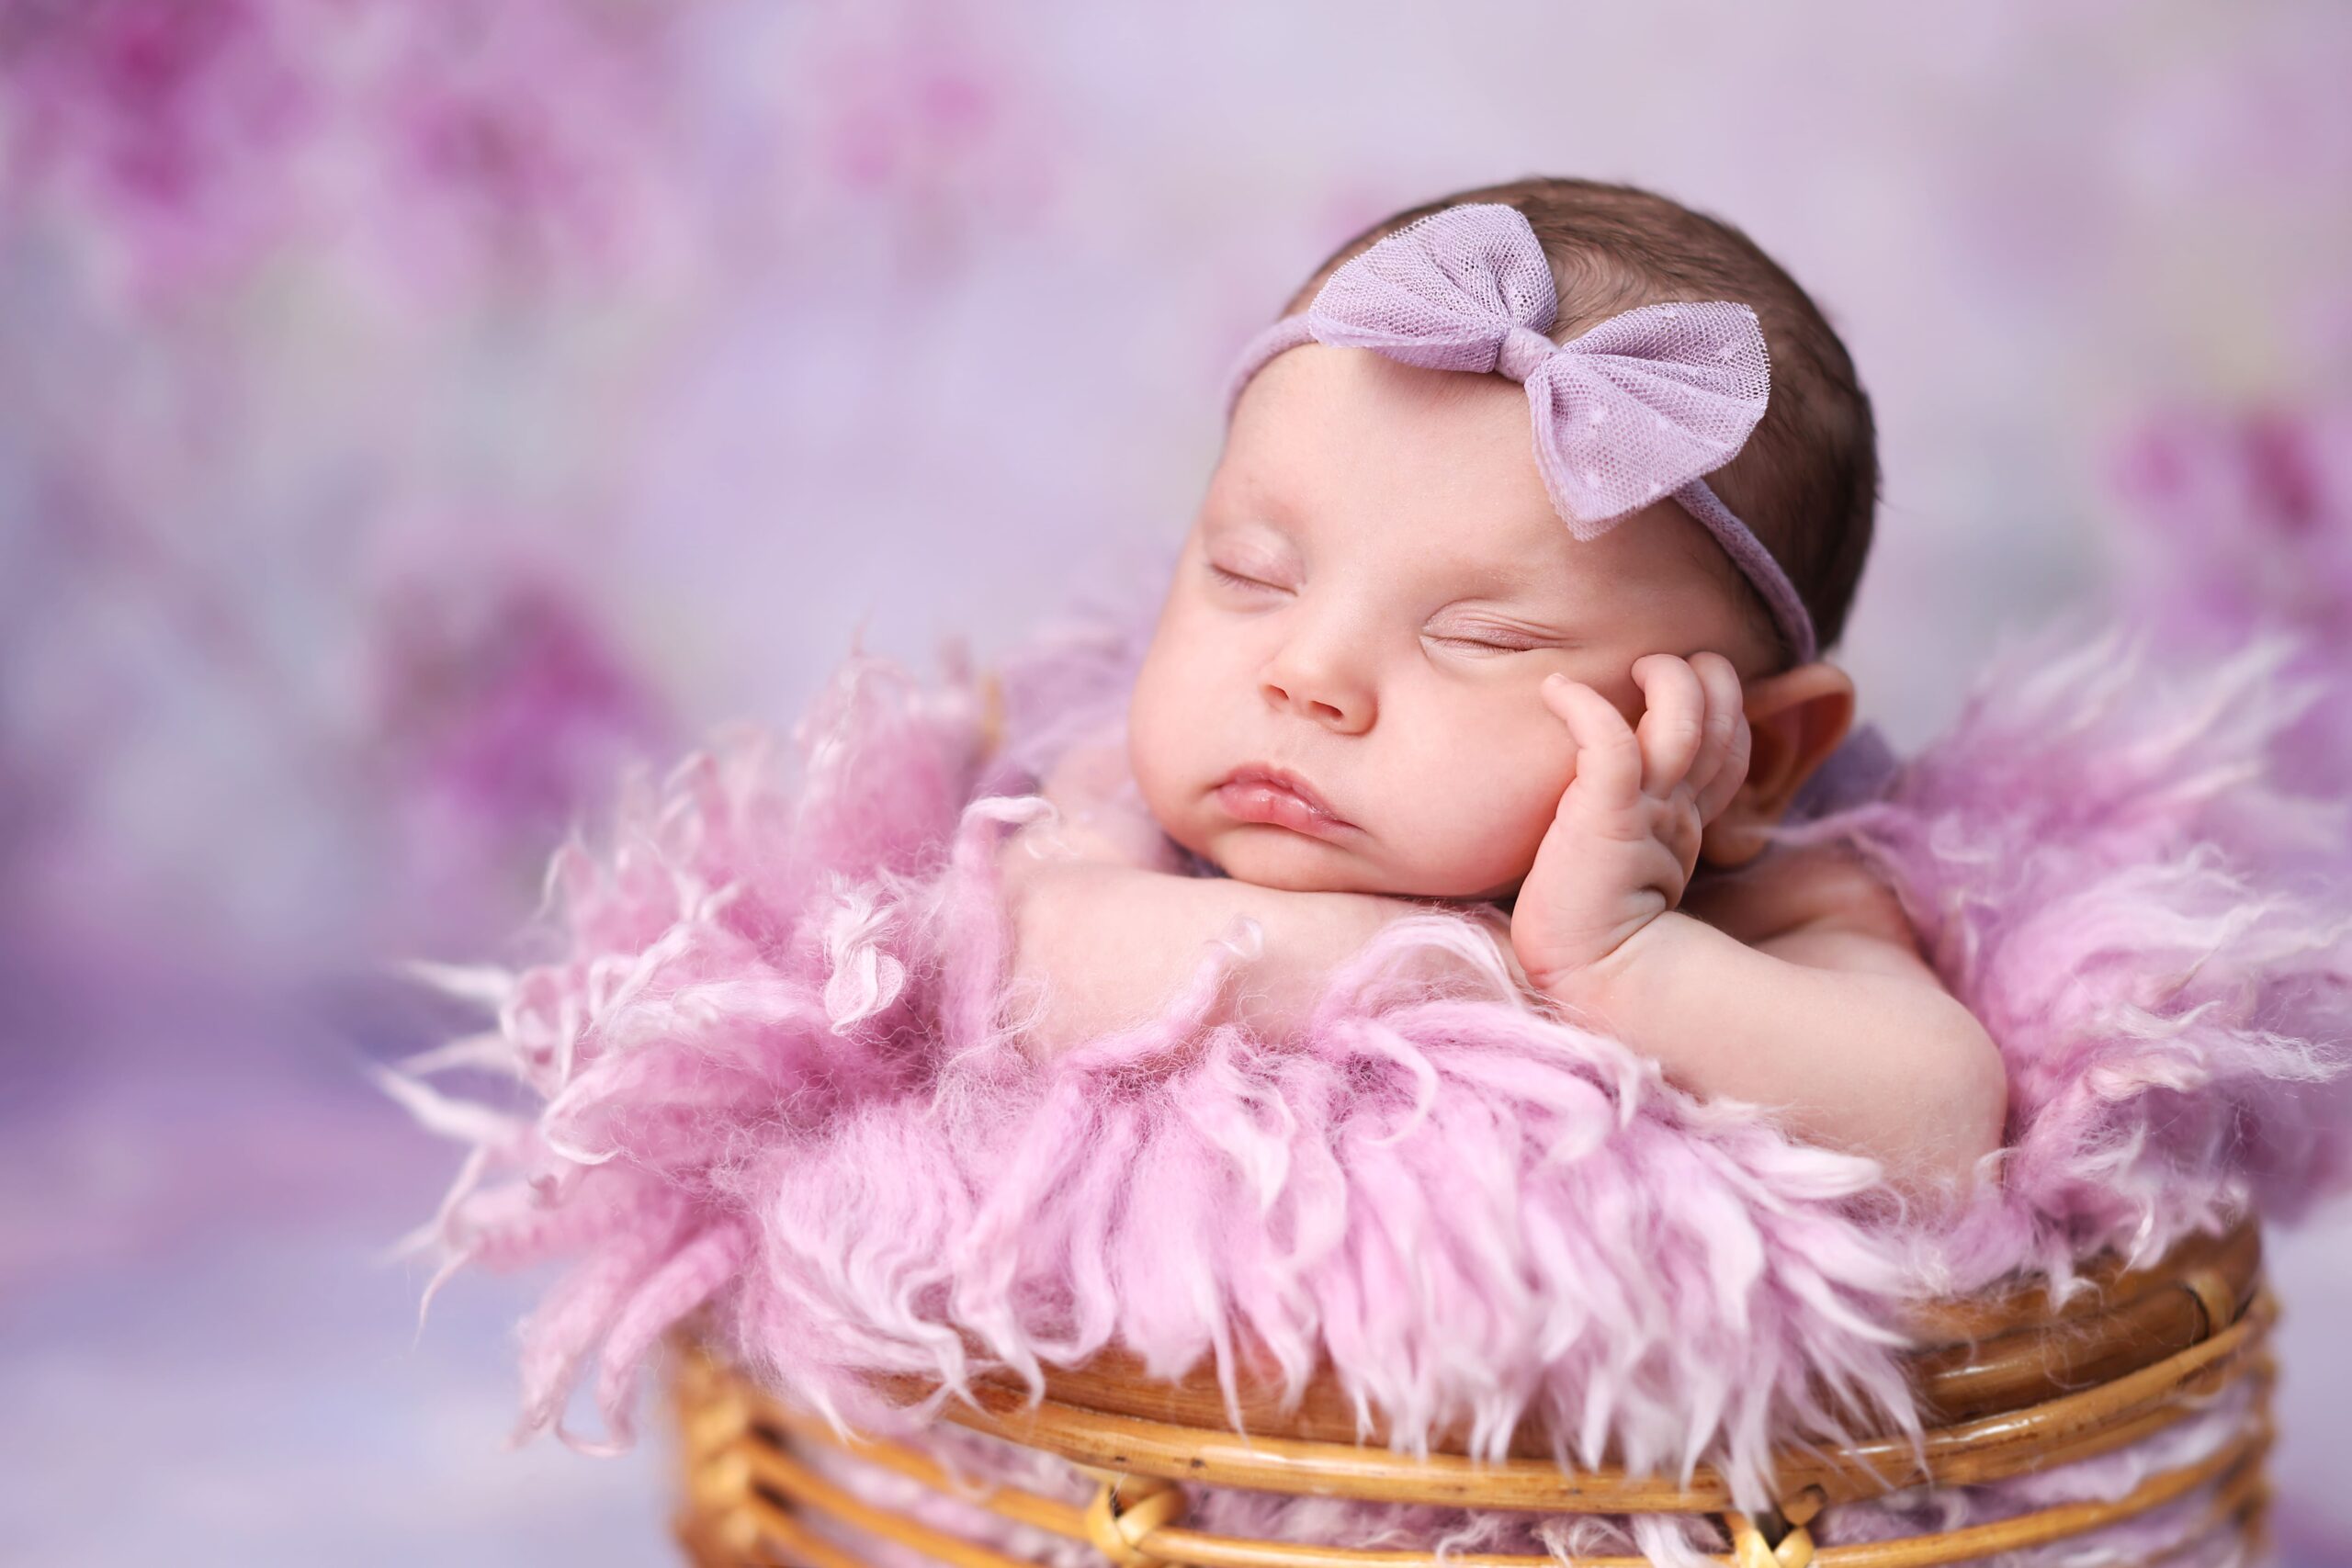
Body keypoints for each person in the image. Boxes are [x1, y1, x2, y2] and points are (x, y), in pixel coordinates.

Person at [997, 179, 2007, 1199]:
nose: (1306, 675)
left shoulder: (1765, 905)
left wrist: (1621, 967)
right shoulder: (1112, 802)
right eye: (1250, 575)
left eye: (1478, 637)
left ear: (1756, 761)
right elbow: (1047, 970)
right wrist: (1491, 973)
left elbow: (1945, 1125)